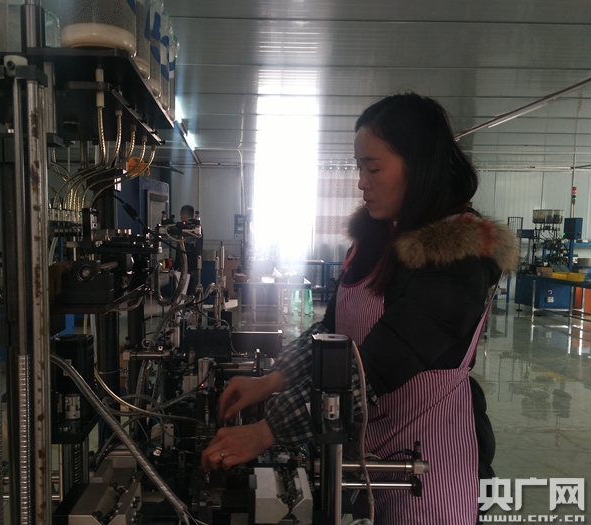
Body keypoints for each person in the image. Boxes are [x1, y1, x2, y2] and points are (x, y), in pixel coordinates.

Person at [200, 93, 518, 524]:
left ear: (418, 167)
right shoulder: (377, 239)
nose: (361, 183)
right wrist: (272, 379)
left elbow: (372, 369)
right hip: (369, 449)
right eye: (358, 168)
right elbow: (332, 331)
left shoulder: (456, 260)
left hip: (428, 461)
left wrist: (268, 430)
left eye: (374, 168)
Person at [174, 205, 204, 292]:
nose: (180, 217)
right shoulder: (198, 228)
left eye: (181, 215)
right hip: (194, 265)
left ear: (185, 215)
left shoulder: (187, 228)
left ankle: (186, 300)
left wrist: (176, 265)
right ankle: (191, 300)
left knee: (182, 291)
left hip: (185, 266)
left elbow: (183, 249)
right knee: (191, 290)